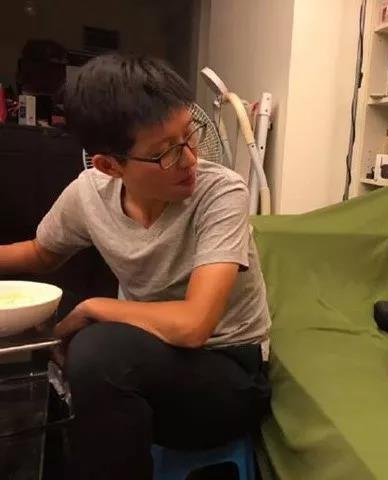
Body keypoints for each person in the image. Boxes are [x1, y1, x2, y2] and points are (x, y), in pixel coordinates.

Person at [0, 53, 271, 480]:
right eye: (164, 153)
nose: (189, 159)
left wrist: (94, 307)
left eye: (190, 134)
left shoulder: (220, 192)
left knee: (98, 355)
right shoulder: (89, 194)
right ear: (110, 166)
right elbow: (40, 252)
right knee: (74, 372)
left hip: (230, 374)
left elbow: (194, 325)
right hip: (151, 362)